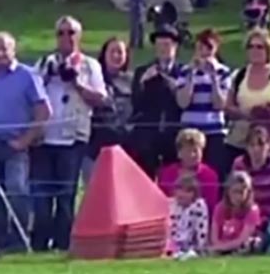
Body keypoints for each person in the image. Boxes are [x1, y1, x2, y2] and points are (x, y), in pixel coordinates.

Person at [30, 16, 106, 252]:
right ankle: (39, 243)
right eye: (61, 33)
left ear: (79, 36)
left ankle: (63, 244)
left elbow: (100, 99)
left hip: (73, 138)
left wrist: (77, 82)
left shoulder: (90, 65)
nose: (66, 38)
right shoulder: (43, 63)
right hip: (44, 138)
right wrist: (47, 76)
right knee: (41, 196)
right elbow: (30, 95)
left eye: (71, 32)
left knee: (66, 195)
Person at [0, 32, 49, 257]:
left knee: (17, 192)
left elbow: (44, 111)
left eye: (4, 48)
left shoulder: (27, 76)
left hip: (16, 146)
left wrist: (26, 139)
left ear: (13, 50)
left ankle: (19, 241)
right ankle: (1, 242)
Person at [175, 29, 233, 181]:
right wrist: (191, 77)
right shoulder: (185, 71)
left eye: (209, 48)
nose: (204, 52)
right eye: (200, 47)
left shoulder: (223, 72)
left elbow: (220, 104)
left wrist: (213, 78)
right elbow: (183, 102)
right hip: (190, 129)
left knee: (215, 173)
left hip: (214, 131)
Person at [129, 24, 186, 178]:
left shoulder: (184, 72)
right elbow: (135, 103)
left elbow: (185, 102)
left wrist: (173, 84)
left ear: (175, 47)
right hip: (148, 136)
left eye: (167, 45)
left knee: (171, 178)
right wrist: (143, 82)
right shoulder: (143, 71)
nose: (163, 49)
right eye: (159, 45)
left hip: (173, 133)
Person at [225, 30, 270, 166]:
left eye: (259, 47)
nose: (255, 50)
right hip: (240, 142)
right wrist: (247, 114)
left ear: (268, 49)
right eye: (251, 46)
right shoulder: (240, 75)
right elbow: (228, 106)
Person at [86, 37, 134, 183]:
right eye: (112, 51)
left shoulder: (132, 80)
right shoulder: (93, 78)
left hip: (125, 149)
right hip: (95, 149)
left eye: (120, 52)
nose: (116, 56)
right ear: (104, 54)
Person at [157, 128, 220, 210]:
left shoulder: (210, 175)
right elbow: (161, 201)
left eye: (196, 151)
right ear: (179, 153)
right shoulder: (167, 173)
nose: (192, 155)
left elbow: (211, 206)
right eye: (188, 151)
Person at [233, 125, 270, 230]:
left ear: (268, 145)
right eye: (252, 145)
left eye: (261, 144)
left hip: (269, 221)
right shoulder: (239, 164)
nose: (256, 149)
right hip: (242, 218)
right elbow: (233, 195)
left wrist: (262, 224)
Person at [211, 171, 262, 254]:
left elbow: (242, 239)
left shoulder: (252, 210)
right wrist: (218, 246)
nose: (238, 196)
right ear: (228, 192)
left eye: (241, 192)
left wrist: (221, 248)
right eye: (235, 192)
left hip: (241, 247)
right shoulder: (220, 207)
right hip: (221, 246)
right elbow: (214, 237)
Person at [165, 172, 208, 259]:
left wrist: (199, 249)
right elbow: (168, 229)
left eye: (188, 191)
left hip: (191, 247)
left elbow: (202, 231)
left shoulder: (199, 206)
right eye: (179, 189)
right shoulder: (170, 204)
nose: (182, 194)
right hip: (172, 246)